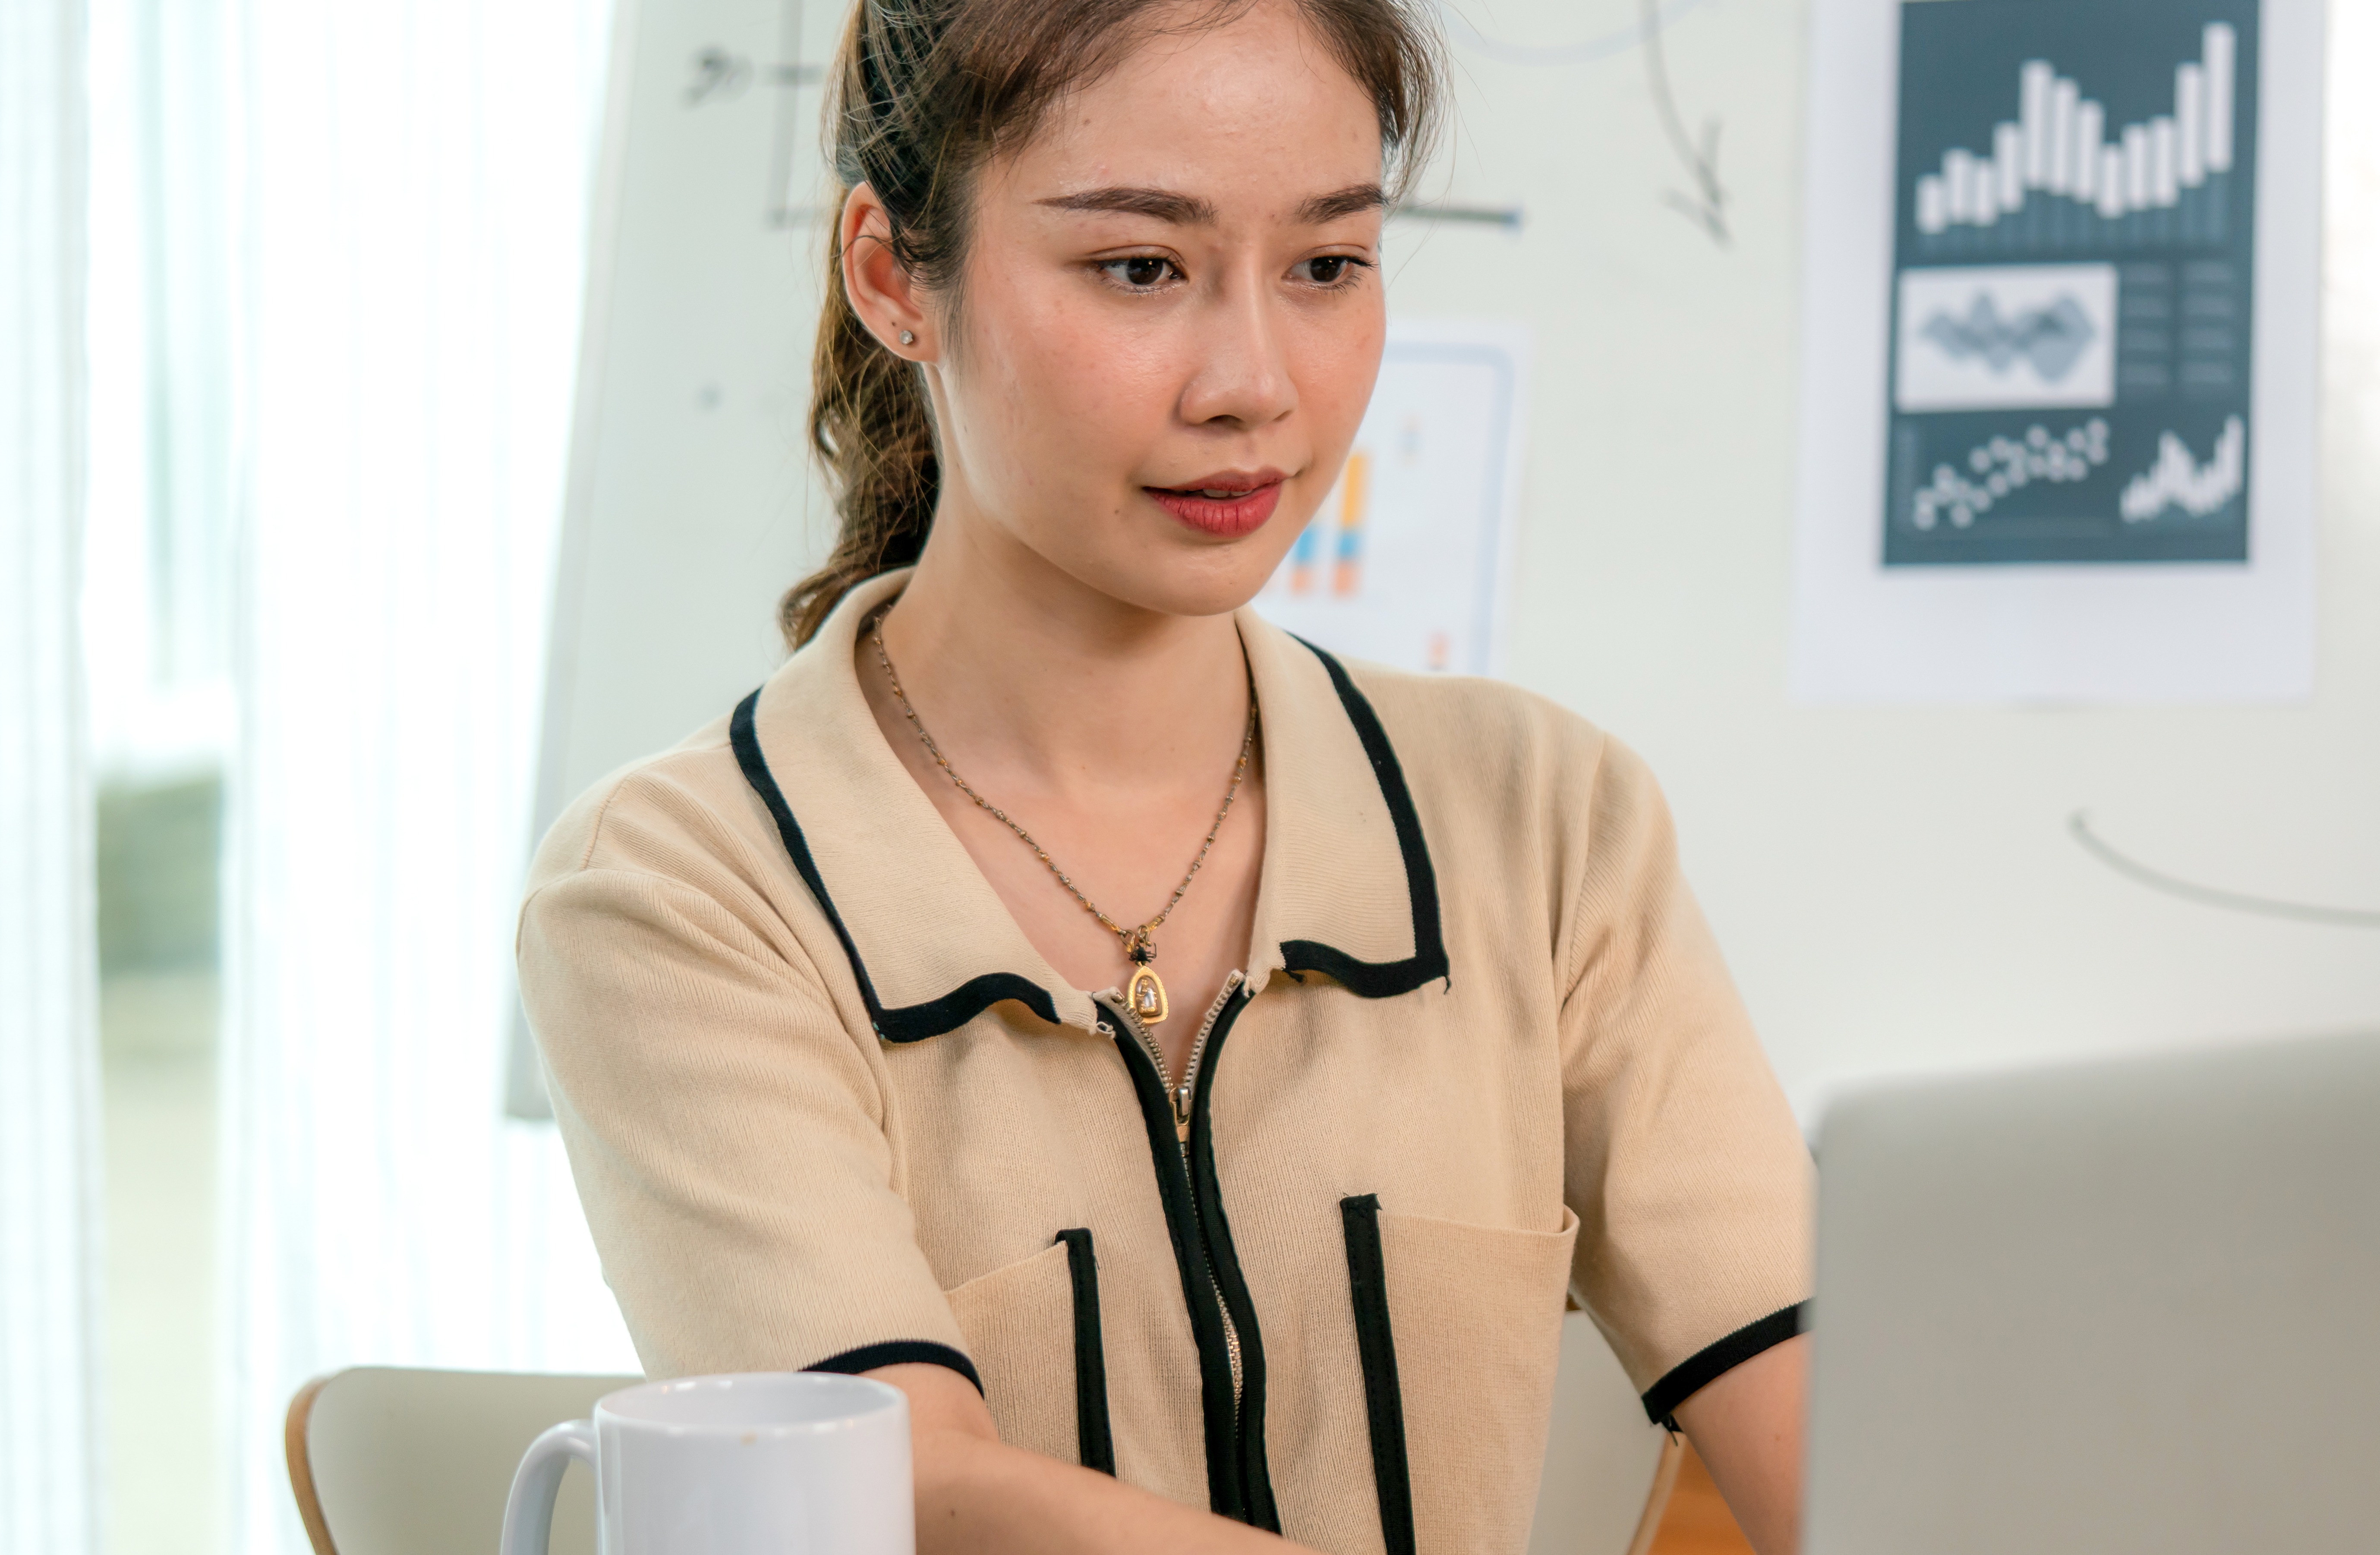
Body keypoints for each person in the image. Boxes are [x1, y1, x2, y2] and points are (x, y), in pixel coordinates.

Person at [512, 1, 1815, 1550]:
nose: (1254, 383)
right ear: (892, 275)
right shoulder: (675, 892)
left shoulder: (1542, 823)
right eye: (1141, 267)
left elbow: (1852, 1438)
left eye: (1327, 264)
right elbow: (907, 1495)